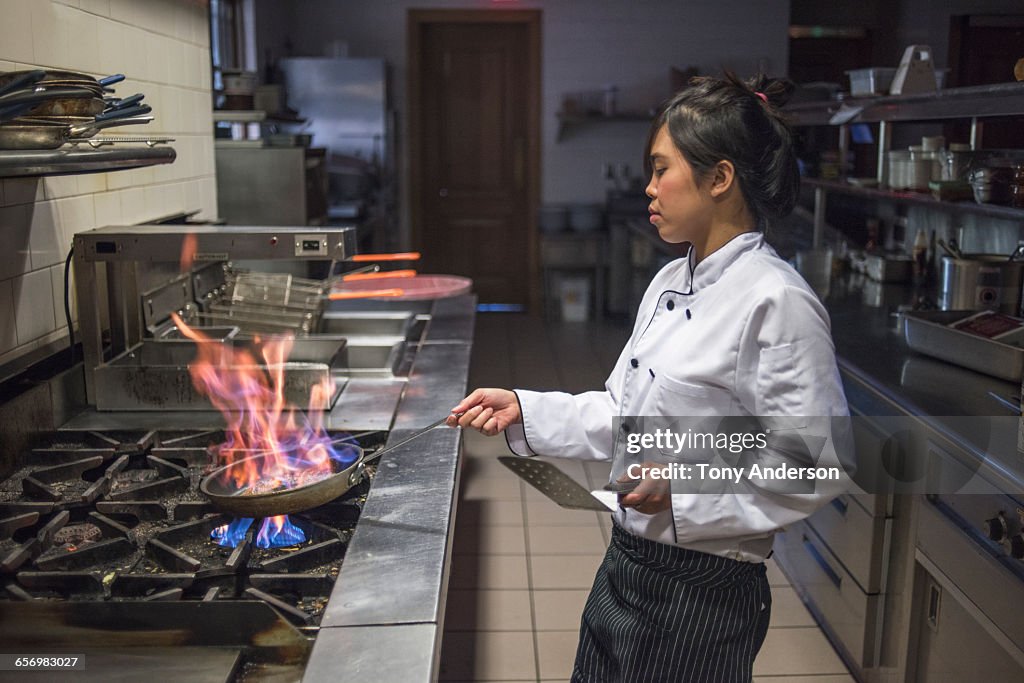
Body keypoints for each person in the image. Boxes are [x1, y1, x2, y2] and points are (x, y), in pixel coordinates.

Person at [447, 72, 852, 683]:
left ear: (719, 178)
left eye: (663, 169)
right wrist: (525, 410)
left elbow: (815, 461)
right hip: (626, 564)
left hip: (704, 593)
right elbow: (625, 418)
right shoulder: (669, 282)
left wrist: (684, 485)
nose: (649, 186)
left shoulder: (776, 301)